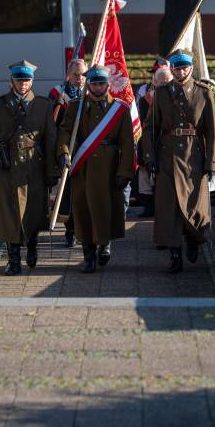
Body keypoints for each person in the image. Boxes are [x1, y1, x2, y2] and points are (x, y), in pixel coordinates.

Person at [0, 60, 59, 275]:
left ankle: (31, 245)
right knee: (8, 216)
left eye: (27, 80)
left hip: (33, 168)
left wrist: (52, 172)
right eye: (19, 79)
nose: (23, 84)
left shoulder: (44, 105)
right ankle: (13, 261)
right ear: (11, 81)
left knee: (32, 213)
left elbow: (50, 141)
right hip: (6, 168)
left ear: (32, 81)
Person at [141, 49, 215, 273]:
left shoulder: (204, 93)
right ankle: (174, 253)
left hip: (194, 157)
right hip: (167, 157)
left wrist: (212, 163)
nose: (181, 71)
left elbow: (212, 132)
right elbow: (149, 128)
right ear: (171, 69)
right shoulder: (162, 93)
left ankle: (193, 239)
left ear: (192, 68)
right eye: (176, 67)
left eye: (185, 67)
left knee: (195, 205)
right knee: (168, 207)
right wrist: (150, 157)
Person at [57, 64, 134, 273]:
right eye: (94, 83)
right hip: (84, 168)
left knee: (105, 210)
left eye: (102, 83)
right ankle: (88, 254)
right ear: (88, 84)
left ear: (108, 84)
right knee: (83, 212)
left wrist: (125, 171)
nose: (98, 87)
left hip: (110, 167)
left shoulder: (119, 109)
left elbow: (128, 143)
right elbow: (64, 132)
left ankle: (104, 244)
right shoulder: (76, 106)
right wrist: (64, 152)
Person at [49, 58, 87, 246]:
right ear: (69, 75)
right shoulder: (58, 93)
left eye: (83, 75)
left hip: (88, 148)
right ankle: (70, 230)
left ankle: (85, 230)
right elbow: (52, 122)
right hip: (68, 148)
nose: (80, 79)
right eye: (76, 75)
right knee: (68, 192)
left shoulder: (93, 92)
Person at [137, 60, 172, 218]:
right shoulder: (145, 96)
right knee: (145, 176)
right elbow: (143, 121)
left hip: (168, 143)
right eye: (158, 78)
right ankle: (149, 207)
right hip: (150, 138)